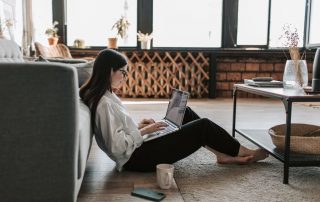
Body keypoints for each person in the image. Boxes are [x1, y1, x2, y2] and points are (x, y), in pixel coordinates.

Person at [80, 49, 268, 172]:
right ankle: (242, 151)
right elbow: (117, 147)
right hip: (136, 159)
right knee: (203, 126)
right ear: (109, 71)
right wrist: (145, 132)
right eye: (123, 71)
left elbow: (117, 133)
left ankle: (221, 154)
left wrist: (139, 127)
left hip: (138, 149)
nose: (126, 77)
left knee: (185, 112)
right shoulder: (104, 104)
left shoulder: (106, 96)